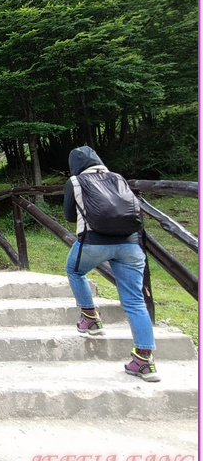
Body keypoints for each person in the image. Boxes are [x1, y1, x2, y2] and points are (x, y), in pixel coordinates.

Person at [63, 146, 159, 382]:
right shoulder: (118, 178)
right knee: (135, 301)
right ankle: (144, 361)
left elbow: (68, 215)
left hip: (94, 242)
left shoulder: (75, 181)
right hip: (130, 245)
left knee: (74, 270)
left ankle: (90, 318)